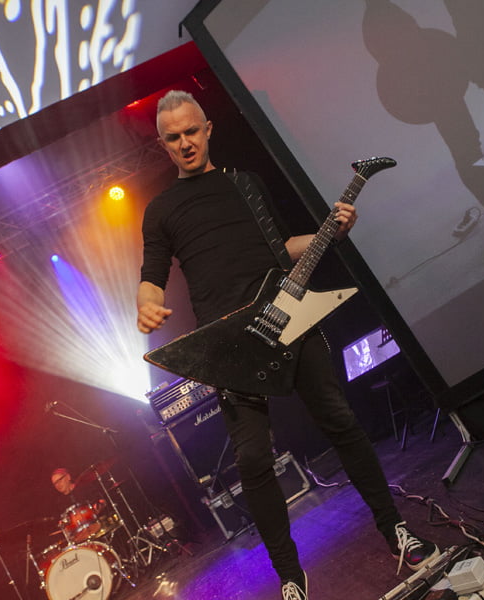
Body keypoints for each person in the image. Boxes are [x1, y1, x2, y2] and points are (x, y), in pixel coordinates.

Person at [136, 90, 438, 600]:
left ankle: (396, 532)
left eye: (191, 131)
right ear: (163, 145)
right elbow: (151, 276)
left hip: (290, 319)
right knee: (254, 460)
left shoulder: (246, 184)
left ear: (208, 129)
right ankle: (291, 579)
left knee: (340, 420)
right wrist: (146, 304)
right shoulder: (161, 210)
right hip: (231, 347)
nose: (184, 143)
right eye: (173, 138)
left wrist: (328, 233)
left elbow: (282, 249)